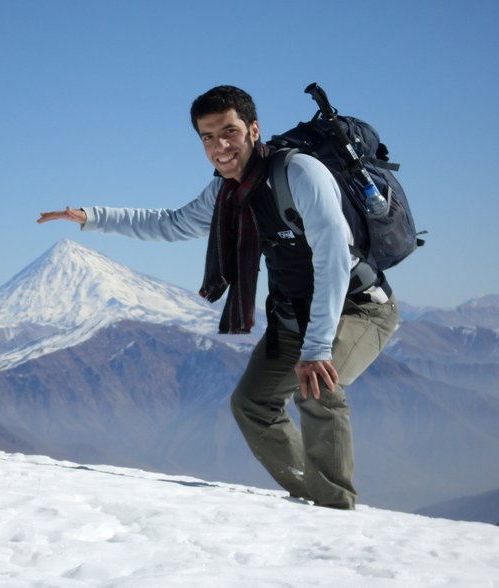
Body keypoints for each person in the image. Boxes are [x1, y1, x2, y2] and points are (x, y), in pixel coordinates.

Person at [37, 86, 399, 510]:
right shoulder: (228, 191)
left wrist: (317, 348)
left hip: (358, 306)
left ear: (253, 130)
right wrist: (91, 217)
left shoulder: (300, 173)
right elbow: (171, 224)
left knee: (317, 386)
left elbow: (333, 257)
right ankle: (312, 498)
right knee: (252, 404)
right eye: (207, 137)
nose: (219, 146)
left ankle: (335, 509)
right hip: (294, 311)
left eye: (229, 132)